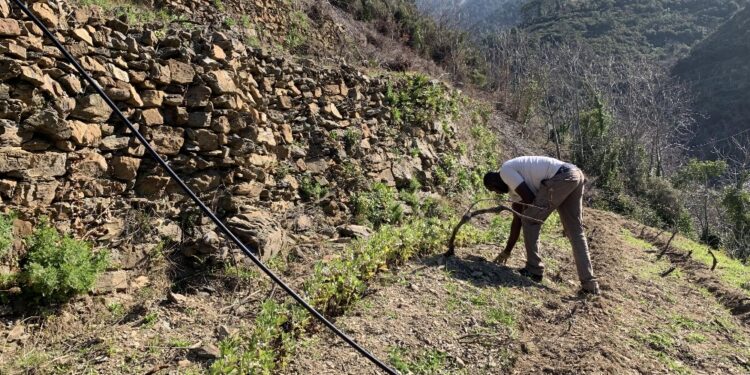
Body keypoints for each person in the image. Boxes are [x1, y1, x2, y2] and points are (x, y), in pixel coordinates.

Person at [483, 156, 600, 295]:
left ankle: (534, 269)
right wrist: (507, 251)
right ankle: (590, 285)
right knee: (575, 231)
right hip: (575, 174)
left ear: (494, 181)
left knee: (530, 220)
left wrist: (533, 216)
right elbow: (517, 220)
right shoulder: (515, 184)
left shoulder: (506, 171)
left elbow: (530, 202)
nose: (496, 192)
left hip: (562, 177)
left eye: (493, 189)